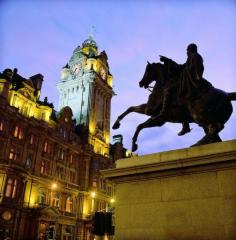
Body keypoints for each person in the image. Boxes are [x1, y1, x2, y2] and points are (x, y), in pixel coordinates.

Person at [158, 43, 205, 136]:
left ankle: (163, 112)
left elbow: (195, 70)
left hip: (190, 81)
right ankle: (185, 125)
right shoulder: (190, 58)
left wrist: (184, 73)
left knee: (169, 89)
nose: (186, 52)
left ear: (191, 50)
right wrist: (168, 61)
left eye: (187, 50)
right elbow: (181, 67)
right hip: (187, 80)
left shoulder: (195, 56)